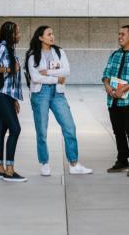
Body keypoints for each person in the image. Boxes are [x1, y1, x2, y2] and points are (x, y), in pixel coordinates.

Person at [25, 25, 93, 177]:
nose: (52, 36)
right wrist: (56, 78)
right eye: (49, 34)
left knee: (69, 126)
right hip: (40, 93)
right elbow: (36, 77)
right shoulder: (32, 55)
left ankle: (74, 164)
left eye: (52, 34)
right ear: (40, 37)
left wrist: (48, 72)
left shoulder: (59, 51)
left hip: (58, 94)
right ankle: (45, 163)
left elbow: (66, 71)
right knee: (42, 130)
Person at [101, 25, 129, 177]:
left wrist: (124, 88)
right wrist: (107, 85)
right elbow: (106, 72)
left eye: (123, 34)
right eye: (119, 34)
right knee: (118, 131)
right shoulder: (114, 55)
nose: (120, 37)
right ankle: (122, 161)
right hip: (113, 100)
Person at [0, 20, 27, 182]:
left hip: (7, 95)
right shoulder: (3, 47)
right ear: (10, 34)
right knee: (15, 129)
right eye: (17, 32)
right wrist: (10, 69)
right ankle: (9, 170)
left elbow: (13, 81)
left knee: (1, 130)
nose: (19, 35)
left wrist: (15, 99)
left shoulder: (10, 49)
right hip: (0, 94)